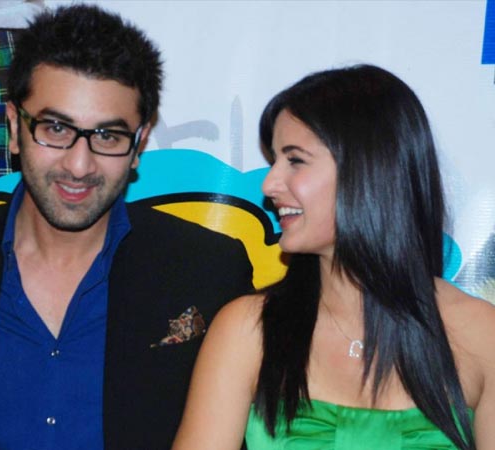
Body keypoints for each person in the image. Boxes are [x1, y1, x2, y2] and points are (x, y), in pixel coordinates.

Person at [0, 4, 253, 450]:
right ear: (14, 127)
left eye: (107, 136)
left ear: (139, 143)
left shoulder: (208, 270)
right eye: (56, 129)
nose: (79, 165)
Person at [172, 64, 495, 450]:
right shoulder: (247, 331)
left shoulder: (481, 335)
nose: (270, 184)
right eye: (274, 161)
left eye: (295, 160)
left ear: (368, 169)